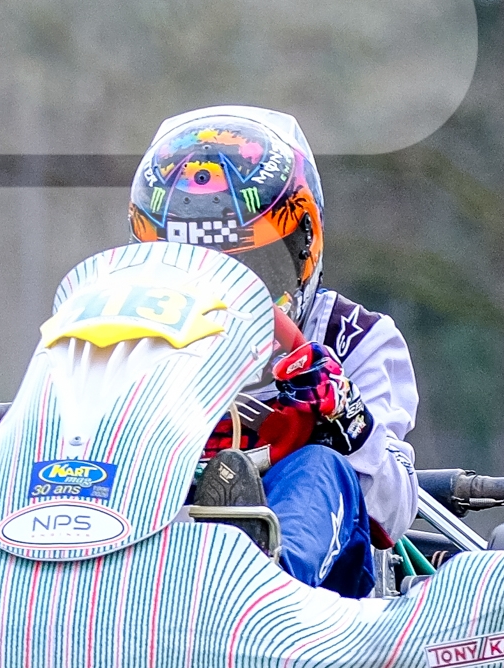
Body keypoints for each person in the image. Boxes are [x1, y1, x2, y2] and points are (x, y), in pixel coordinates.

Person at [129, 105, 418, 595]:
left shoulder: (355, 337)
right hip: (154, 544)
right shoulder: (126, 338)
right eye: (188, 264)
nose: (219, 291)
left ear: (302, 247)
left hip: (315, 586)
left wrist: (345, 416)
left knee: (319, 466)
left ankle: (265, 578)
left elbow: (395, 510)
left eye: (249, 264)